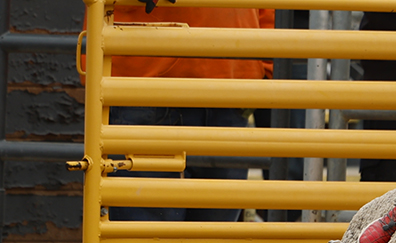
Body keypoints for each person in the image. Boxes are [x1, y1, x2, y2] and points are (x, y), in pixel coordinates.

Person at [82, 0, 274, 222]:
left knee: (216, 240)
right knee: (146, 238)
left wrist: (264, 60)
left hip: (228, 83)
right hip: (145, 84)